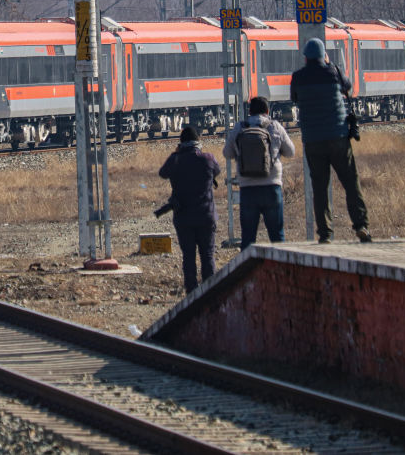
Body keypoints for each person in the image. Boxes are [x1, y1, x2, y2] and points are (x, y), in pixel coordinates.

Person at [290, 38, 371, 244]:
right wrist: (329, 63)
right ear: (323, 55)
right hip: (338, 137)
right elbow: (348, 86)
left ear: (306, 57)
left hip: (313, 140)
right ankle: (360, 225)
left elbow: (295, 99)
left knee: (320, 187)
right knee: (351, 183)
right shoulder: (334, 71)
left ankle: (325, 234)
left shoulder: (298, 77)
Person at [223, 96, 295, 249]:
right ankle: (280, 269)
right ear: (267, 111)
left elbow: (227, 153)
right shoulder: (274, 126)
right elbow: (290, 152)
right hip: (271, 187)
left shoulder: (239, 128)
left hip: (248, 190)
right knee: (277, 237)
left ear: (249, 111)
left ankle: (248, 272)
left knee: (248, 238)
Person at [158, 126, 221, 293]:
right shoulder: (207, 159)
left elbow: (163, 173)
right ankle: (210, 291)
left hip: (184, 217)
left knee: (189, 256)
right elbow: (218, 170)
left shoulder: (176, 159)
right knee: (207, 255)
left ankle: (191, 292)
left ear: (181, 143)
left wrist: (176, 153)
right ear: (198, 142)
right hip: (206, 215)